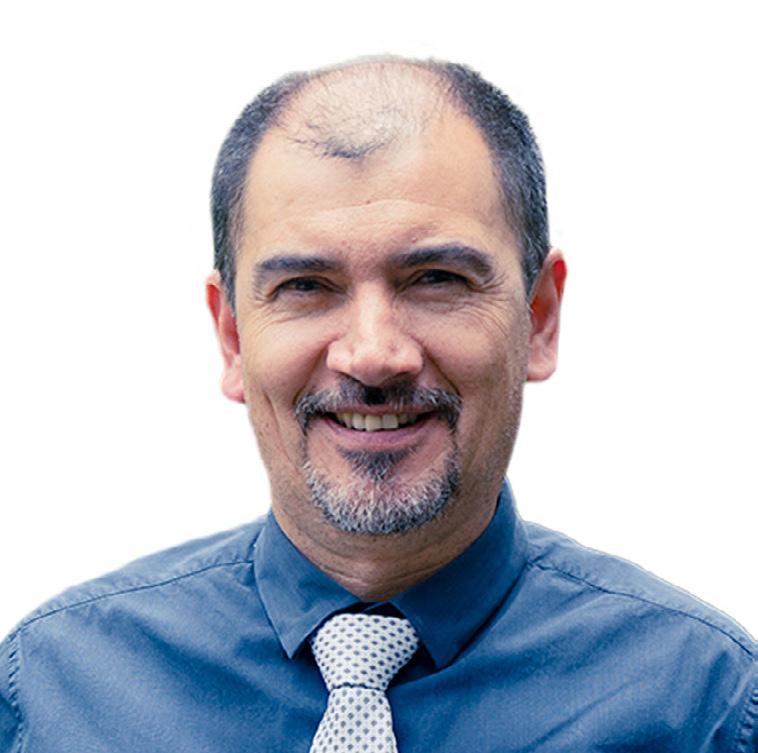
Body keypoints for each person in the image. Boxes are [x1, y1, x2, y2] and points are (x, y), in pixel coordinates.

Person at [1, 56, 755, 753]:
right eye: (305, 287)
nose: (371, 354)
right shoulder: (51, 692)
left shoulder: (704, 706)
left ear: (540, 319)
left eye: (436, 279)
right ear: (231, 335)